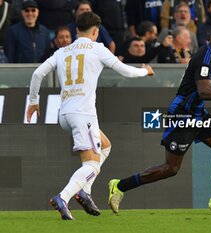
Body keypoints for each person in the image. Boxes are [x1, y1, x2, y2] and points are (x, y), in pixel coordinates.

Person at [107, 24, 211, 214]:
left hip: (198, 113)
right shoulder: (204, 58)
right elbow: (204, 91)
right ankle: (119, 186)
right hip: (183, 114)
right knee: (171, 168)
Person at [26, 11, 154, 220]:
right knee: (92, 165)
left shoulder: (62, 51)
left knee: (105, 146)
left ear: (77, 31)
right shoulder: (98, 49)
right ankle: (63, 197)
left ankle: (85, 192)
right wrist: (145, 71)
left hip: (65, 113)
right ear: (95, 32)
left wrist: (33, 101)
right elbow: (126, 71)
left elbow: (37, 73)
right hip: (83, 114)